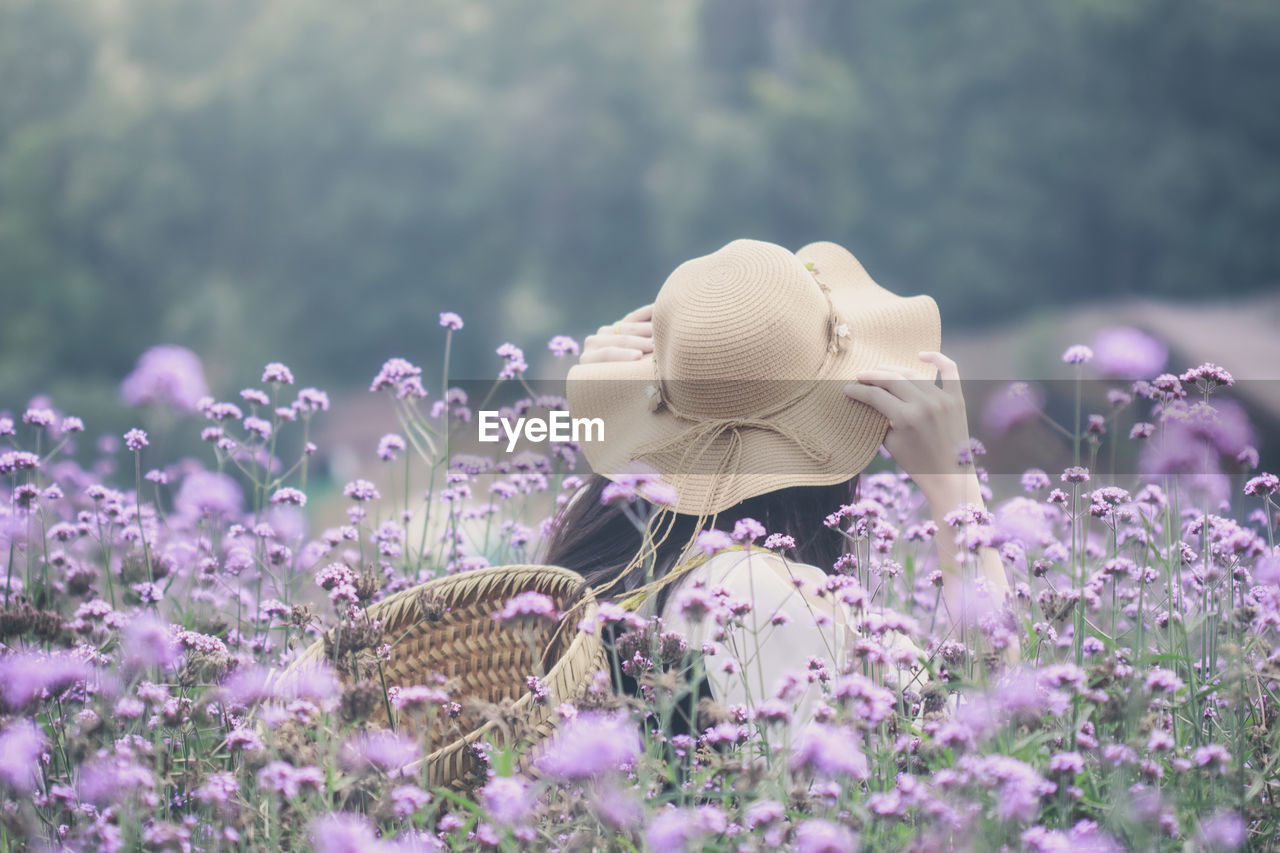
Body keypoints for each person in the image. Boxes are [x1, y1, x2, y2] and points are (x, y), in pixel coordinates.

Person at [542, 239, 1011, 741]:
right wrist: (957, 494)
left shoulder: (596, 537)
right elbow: (987, 733)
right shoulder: (763, 599)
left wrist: (604, 414)